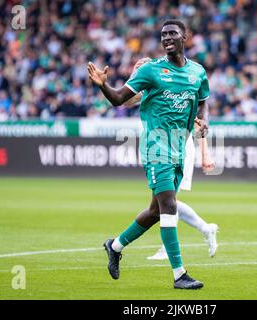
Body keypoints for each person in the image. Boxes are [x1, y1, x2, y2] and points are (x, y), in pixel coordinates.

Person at [88, 20, 210, 289]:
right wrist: (102, 85)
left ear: (184, 37)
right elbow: (119, 98)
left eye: (172, 33)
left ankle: (115, 245)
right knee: (169, 206)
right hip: (157, 148)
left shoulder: (197, 72)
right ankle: (180, 275)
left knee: (155, 211)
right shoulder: (152, 70)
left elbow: (203, 101)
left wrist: (203, 120)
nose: (167, 38)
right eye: (163, 34)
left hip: (180, 148)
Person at [125, 58, 218, 261]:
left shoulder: (178, 86)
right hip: (160, 147)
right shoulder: (153, 88)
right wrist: (133, 76)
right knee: (166, 201)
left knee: (166, 201)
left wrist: (205, 152)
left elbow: (200, 120)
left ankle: (169, 248)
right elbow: (127, 100)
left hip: (179, 146)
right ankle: (205, 228)